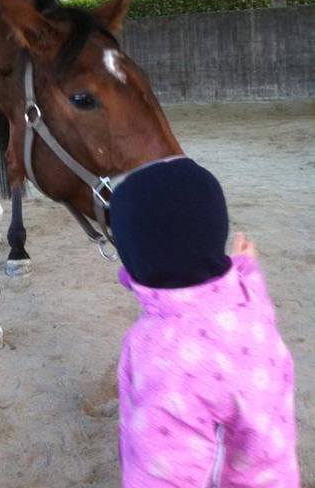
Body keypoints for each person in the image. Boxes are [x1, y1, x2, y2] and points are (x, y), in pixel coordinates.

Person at [109, 156, 300, 487]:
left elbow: (162, 471)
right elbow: (255, 294)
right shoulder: (246, 303)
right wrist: (246, 266)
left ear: (133, 258)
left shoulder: (161, 356)